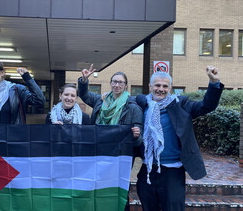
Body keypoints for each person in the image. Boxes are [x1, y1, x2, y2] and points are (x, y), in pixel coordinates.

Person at [135, 66, 224, 211]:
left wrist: (214, 83)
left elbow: (206, 105)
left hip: (172, 171)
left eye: (165, 86)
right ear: (150, 86)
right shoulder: (141, 105)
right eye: (157, 85)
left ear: (170, 88)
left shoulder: (181, 105)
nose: (161, 89)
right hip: (148, 169)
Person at [78, 64, 144, 210]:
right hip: (99, 152)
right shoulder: (100, 101)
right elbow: (84, 95)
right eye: (114, 81)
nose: (117, 85)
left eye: (120, 82)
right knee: (98, 185)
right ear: (110, 83)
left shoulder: (133, 107)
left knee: (118, 187)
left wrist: (136, 135)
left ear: (126, 86)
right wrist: (83, 80)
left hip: (121, 156)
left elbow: (139, 136)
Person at [0, 56, 45, 125]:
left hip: (11, 135)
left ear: (2, 73)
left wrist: (27, 78)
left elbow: (39, 101)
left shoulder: (16, 90)